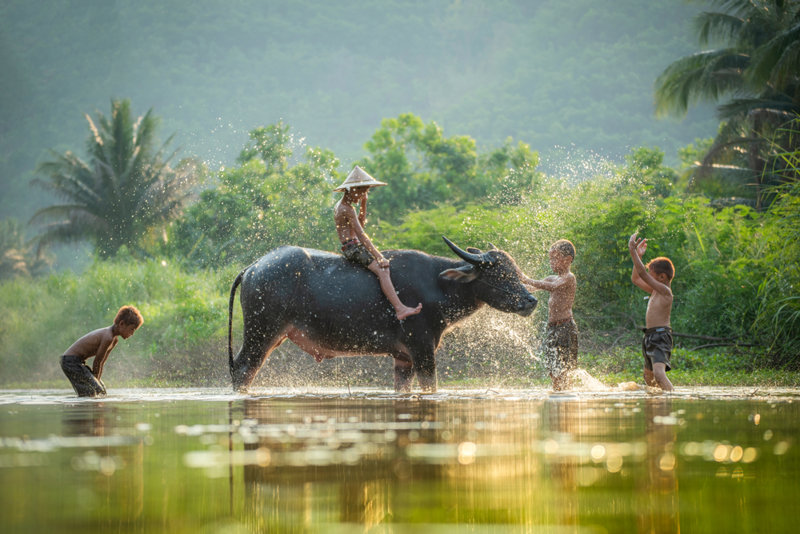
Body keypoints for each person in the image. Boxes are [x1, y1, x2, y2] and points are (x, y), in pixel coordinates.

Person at [334, 165, 422, 321]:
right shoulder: (347, 209)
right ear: (352, 189)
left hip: (351, 246)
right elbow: (361, 235)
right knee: (383, 270)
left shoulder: (342, 206)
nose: (363, 195)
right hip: (353, 248)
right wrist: (379, 256)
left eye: (365, 192)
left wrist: (364, 204)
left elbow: (360, 224)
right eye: (362, 192)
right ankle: (400, 308)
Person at [522, 239, 578, 390]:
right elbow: (529, 287)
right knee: (552, 368)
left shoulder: (569, 278)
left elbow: (551, 287)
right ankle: (560, 392)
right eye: (550, 259)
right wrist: (515, 284)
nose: (551, 262)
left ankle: (563, 396)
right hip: (553, 328)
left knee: (563, 369)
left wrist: (527, 278)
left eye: (555, 258)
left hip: (565, 328)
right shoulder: (552, 278)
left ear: (568, 260)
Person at [60, 305, 143, 397]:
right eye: (131, 329)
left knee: (101, 390)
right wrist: (96, 382)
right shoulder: (108, 337)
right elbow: (97, 362)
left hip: (76, 362)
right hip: (70, 361)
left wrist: (97, 381)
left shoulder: (114, 340)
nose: (132, 334)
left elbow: (102, 362)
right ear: (122, 324)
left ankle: (90, 406)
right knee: (94, 391)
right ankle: (83, 409)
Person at [628, 232, 674, 392]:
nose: (649, 278)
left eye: (652, 275)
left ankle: (672, 398)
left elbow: (642, 274)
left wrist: (633, 252)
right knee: (649, 377)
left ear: (661, 277)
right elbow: (636, 278)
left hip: (661, 336)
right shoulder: (655, 290)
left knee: (659, 375)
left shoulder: (665, 291)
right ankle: (655, 405)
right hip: (650, 335)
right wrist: (638, 257)